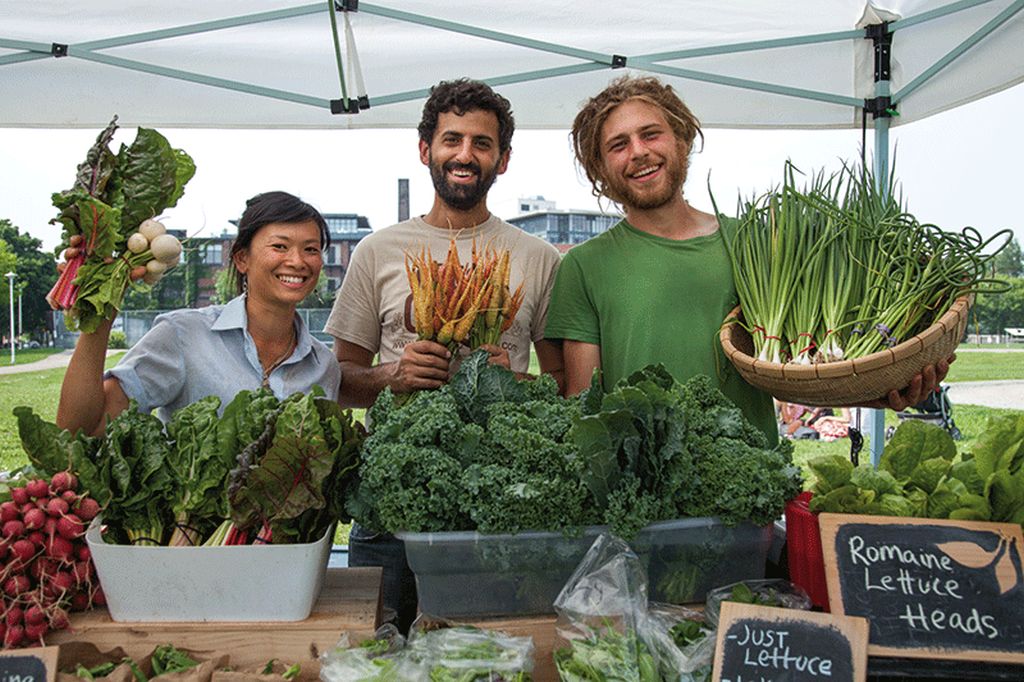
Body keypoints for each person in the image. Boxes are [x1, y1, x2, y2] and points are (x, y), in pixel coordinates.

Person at [544, 75, 949, 442]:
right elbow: (585, 404)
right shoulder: (584, 265)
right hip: (645, 495)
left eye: (651, 135)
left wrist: (879, 390)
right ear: (599, 168)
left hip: (748, 478)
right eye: (618, 145)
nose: (638, 152)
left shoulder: (756, 242)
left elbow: (808, 361)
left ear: (682, 139)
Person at [323, 78, 563, 632]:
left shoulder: (537, 258)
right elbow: (342, 380)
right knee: (380, 642)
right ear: (426, 150)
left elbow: (560, 384)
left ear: (502, 160)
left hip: (497, 494)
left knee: (485, 649)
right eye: (451, 139)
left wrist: (515, 382)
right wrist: (393, 375)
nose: (465, 154)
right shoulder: (378, 251)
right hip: (393, 498)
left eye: (482, 143)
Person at [56, 191, 340, 435]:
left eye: (311, 249)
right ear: (242, 258)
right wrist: (100, 314)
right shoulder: (183, 335)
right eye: (280, 246)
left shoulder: (323, 366)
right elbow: (85, 428)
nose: (297, 261)